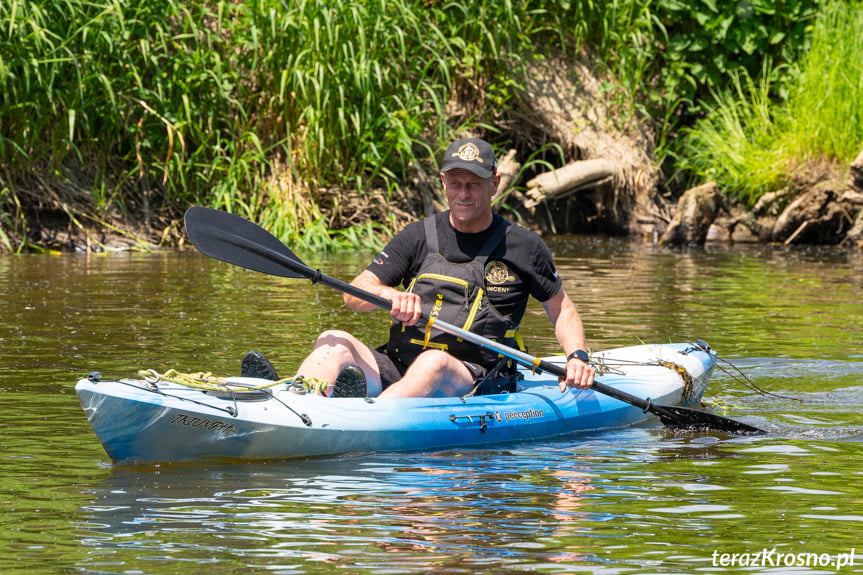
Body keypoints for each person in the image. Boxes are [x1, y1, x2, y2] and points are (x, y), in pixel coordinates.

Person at [242, 138, 595, 397]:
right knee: (333, 341)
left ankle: (366, 416)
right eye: (455, 183)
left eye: (473, 183)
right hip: (398, 363)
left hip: (474, 375)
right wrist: (389, 295)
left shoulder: (523, 246)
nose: (464, 193)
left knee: (433, 362)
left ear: (495, 183)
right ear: (443, 183)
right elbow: (355, 294)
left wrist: (577, 357)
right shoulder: (418, 235)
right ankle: (293, 399)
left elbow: (561, 308)